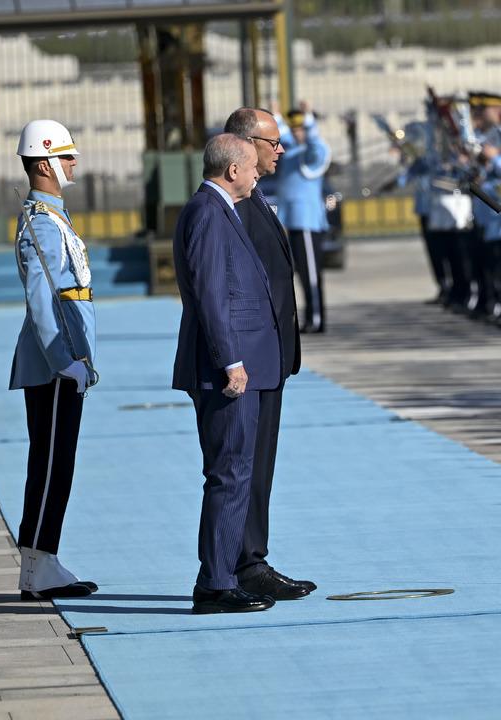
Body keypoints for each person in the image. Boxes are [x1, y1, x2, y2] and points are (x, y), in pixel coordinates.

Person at [172, 134, 276, 615]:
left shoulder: (220, 209)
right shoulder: (207, 212)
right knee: (229, 472)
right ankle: (215, 583)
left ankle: (220, 575)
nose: (258, 174)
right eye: (253, 166)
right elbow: (212, 293)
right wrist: (230, 359)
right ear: (232, 170)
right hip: (223, 369)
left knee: (235, 471)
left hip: (233, 363)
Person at [223, 106, 315, 601]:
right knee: (240, 467)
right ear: (246, 144)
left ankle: (251, 557)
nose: (280, 149)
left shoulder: (256, 198)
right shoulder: (230, 205)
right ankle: (239, 564)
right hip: (245, 360)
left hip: (270, 358)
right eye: (272, 141)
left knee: (260, 466)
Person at [11, 119, 99, 601]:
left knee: (57, 460)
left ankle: (44, 561)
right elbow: (43, 296)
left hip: (65, 357)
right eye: (65, 156)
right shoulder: (41, 223)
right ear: (44, 163)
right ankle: (38, 567)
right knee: (50, 462)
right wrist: (64, 359)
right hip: (53, 363)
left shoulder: (54, 217)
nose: (73, 163)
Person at [275, 102, 331, 333]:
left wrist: (308, 120)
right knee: (302, 273)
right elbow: (284, 137)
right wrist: (276, 114)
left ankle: (316, 318)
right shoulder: (292, 150)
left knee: (311, 274)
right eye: (295, 129)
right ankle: (309, 317)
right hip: (292, 220)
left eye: (302, 129)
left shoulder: (313, 153)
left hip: (307, 221)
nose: (297, 133)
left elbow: (316, 147)